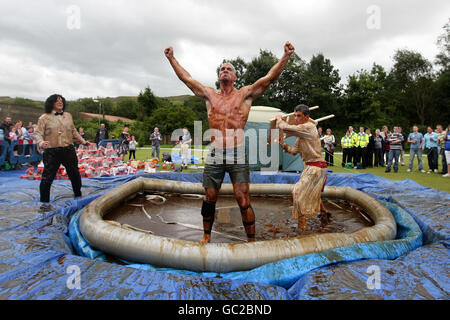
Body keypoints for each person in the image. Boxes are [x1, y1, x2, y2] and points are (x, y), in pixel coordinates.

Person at [165, 41, 295, 243]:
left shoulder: (245, 94)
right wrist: (172, 59)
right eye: (222, 69)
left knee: (242, 198)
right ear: (219, 76)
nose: (225, 70)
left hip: (237, 152)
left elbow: (269, 78)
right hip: (216, 152)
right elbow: (187, 79)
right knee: (209, 197)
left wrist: (285, 56)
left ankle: (251, 241)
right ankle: (206, 236)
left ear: (234, 77)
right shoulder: (209, 94)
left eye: (229, 69)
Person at [276, 105, 329, 232]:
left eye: (298, 115)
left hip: (316, 168)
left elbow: (285, 127)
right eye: (294, 115)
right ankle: (324, 213)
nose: (296, 118)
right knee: (313, 194)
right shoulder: (302, 135)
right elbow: (294, 151)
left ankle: (302, 227)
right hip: (314, 168)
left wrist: (279, 119)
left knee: (297, 192)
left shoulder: (309, 127)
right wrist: (283, 144)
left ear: (307, 116)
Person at [34, 94, 90, 211]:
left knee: (74, 174)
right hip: (51, 151)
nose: (60, 102)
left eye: (61, 100)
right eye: (57, 101)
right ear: (51, 103)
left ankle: (78, 195)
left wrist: (83, 141)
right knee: (47, 177)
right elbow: (38, 133)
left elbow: (74, 131)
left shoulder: (68, 116)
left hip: (68, 149)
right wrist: (41, 142)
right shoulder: (44, 118)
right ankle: (44, 202)